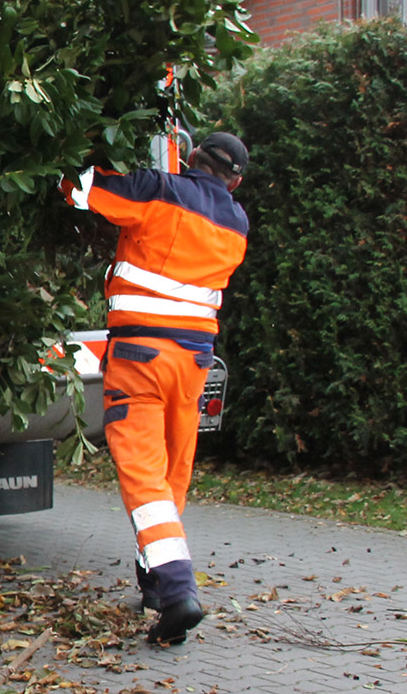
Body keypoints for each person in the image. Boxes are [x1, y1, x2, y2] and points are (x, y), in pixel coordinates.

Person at [60, 132, 251, 645]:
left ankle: (176, 590)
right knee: (170, 470)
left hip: (141, 354)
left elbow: (76, 188)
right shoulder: (237, 222)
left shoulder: (157, 191)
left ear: (191, 158)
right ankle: (154, 578)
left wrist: (75, 148)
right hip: (194, 361)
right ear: (234, 181)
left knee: (144, 473)